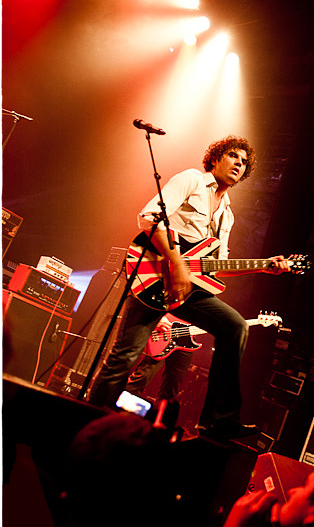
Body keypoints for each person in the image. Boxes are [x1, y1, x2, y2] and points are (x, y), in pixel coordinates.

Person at [89, 136, 290, 440]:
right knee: (125, 357)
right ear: (215, 159)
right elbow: (149, 218)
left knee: (235, 326)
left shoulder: (227, 214)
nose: (239, 164)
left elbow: (216, 266)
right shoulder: (192, 180)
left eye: (244, 162)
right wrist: (176, 264)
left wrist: (262, 266)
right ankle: (90, 419)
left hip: (189, 289)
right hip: (155, 276)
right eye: (233, 156)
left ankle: (218, 421)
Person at [125, 316, 194, 404]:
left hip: (187, 339)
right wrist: (158, 318)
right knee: (142, 377)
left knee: (172, 388)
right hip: (165, 328)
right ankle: (118, 408)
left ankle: (160, 412)